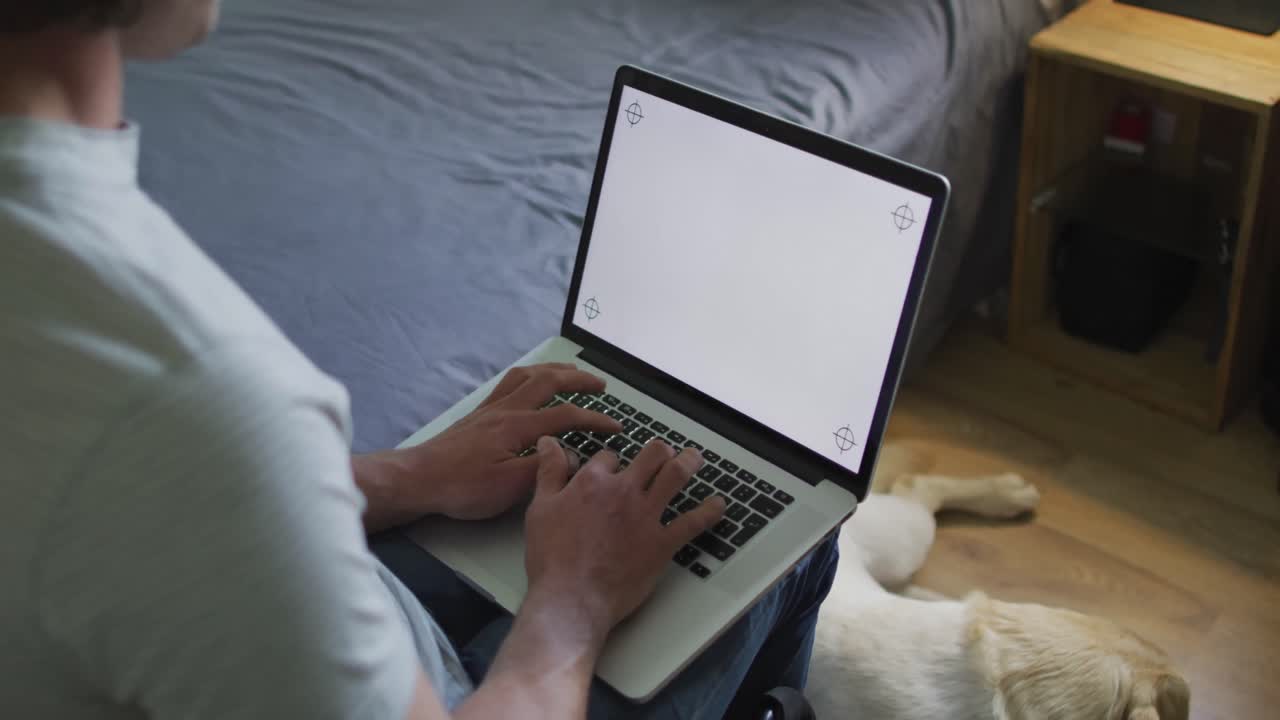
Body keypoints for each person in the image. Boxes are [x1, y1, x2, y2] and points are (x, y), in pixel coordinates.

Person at [0, 1, 839, 718]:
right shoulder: (193, 387)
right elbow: (175, 465)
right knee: (790, 547)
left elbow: (147, 517)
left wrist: (411, 474)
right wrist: (572, 604)